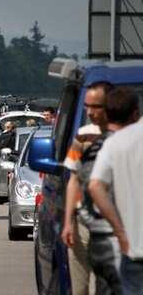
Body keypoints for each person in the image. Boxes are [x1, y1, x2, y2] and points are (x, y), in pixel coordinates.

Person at [77, 88, 139, 294]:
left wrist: (117, 231)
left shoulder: (109, 145)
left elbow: (93, 188)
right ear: (134, 115)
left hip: (124, 248)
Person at [61, 81, 114, 295]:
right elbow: (74, 179)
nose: (90, 112)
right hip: (82, 224)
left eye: (96, 106)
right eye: (87, 107)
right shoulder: (83, 135)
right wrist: (68, 222)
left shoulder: (129, 135)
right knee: (80, 289)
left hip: (113, 225)